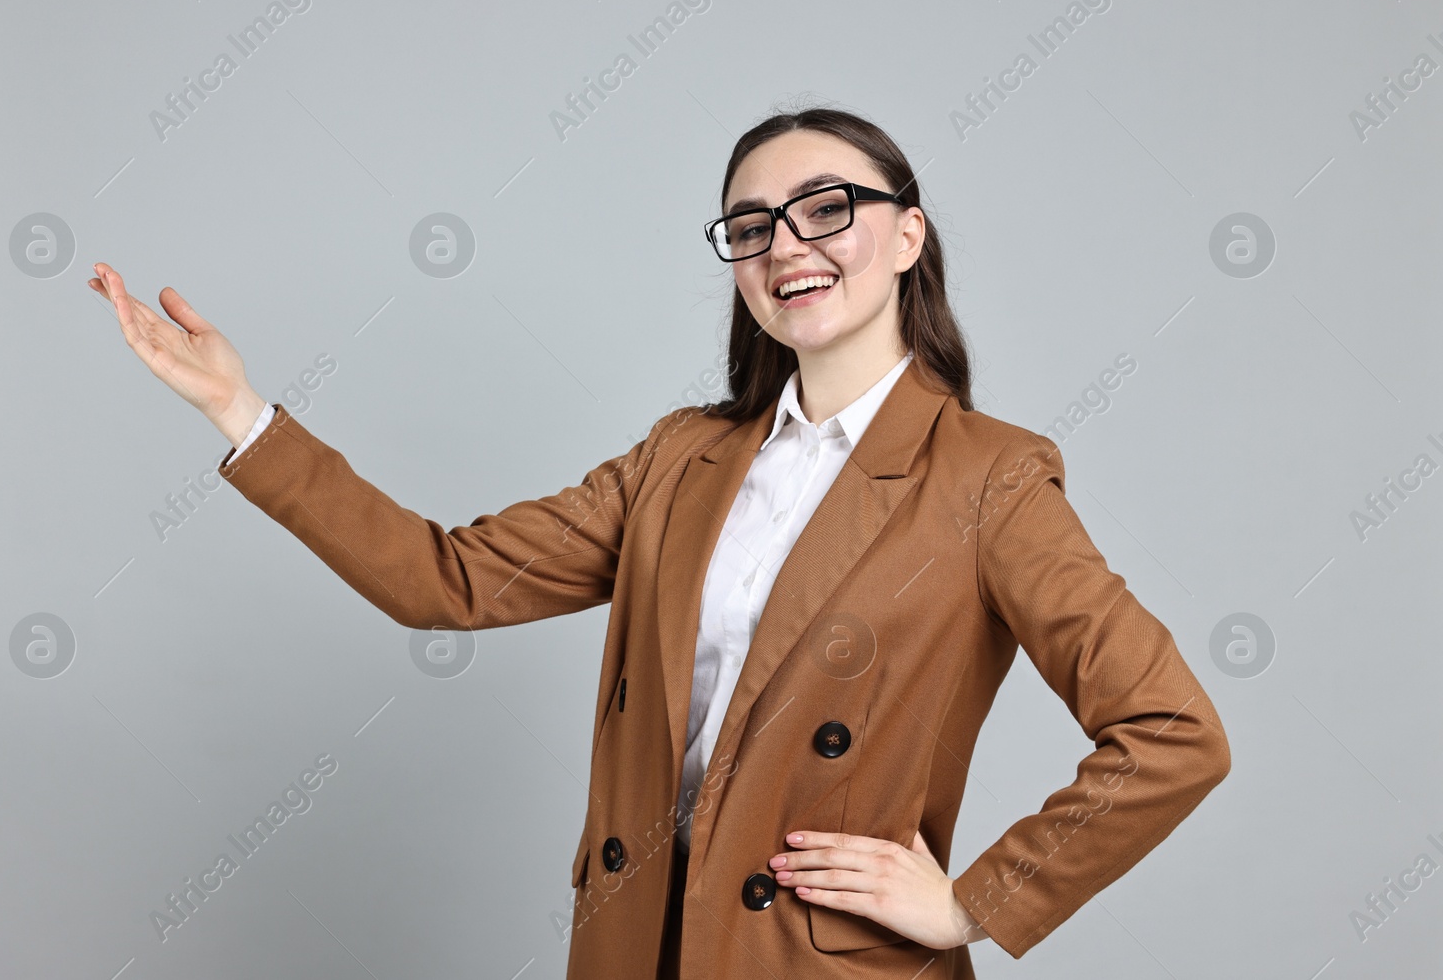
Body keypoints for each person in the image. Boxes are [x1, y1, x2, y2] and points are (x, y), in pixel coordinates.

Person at [89, 106, 1230, 980]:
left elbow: (1172, 731)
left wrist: (971, 900)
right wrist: (241, 414)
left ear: (905, 234)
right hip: (638, 945)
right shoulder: (681, 459)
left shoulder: (986, 475)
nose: (788, 243)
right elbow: (446, 580)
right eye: (752, 224)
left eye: (826, 206)